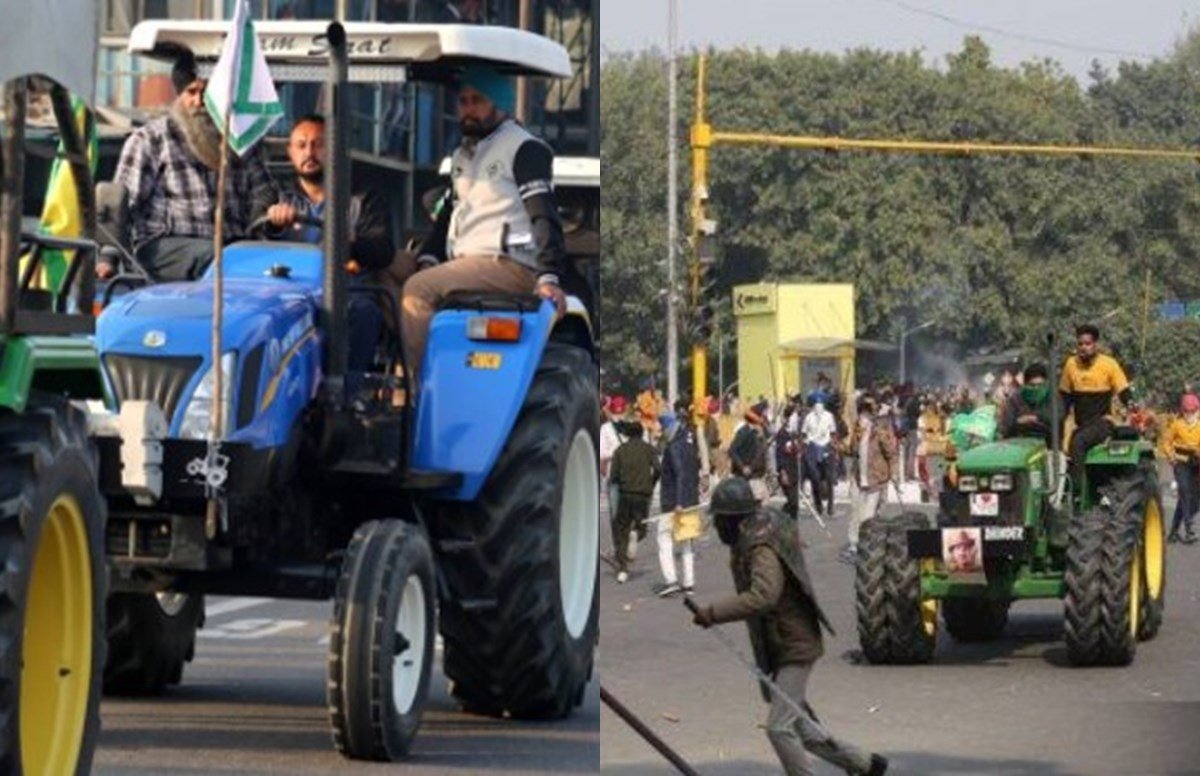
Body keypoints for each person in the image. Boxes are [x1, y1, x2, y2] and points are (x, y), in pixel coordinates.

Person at [690, 477, 888, 776]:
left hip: (794, 643)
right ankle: (863, 763)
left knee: (778, 728)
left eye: (719, 520)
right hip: (781, 643)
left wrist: (712, 613)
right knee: (803, 729)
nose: (717, 528)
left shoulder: (759, 544)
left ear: (733, 520)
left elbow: (763, 596)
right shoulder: (753, 534)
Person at [404, 65, 567, 386]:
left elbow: (543, 214)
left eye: (477, 100)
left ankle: (419, 391)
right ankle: (377, 380)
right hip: (464, 264)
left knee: (417, 290)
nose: (468, 110)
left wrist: (548, 275)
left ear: (501, 103)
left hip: (506, 265)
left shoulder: (524, 148)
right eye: (463, 101)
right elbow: (448, 217)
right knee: (384, 268)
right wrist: (427, 257)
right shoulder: (463, 155)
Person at [109, 50, 276, 282]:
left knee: (282, 267)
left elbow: (264, 191)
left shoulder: (241, 140)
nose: (199, 102)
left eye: (207, 94)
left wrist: (264, 215)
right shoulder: (151, 140)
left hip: (234, 250)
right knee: (217, 259)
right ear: (179, 95)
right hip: (168, 248)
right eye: (191, 92)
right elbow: (120, 206)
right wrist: (108, 257)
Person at [262, 114, 395, 379]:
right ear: (290, 152)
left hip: (345, 288)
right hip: (288, 291)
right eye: (301, 145)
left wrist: (350, 243)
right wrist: (274, 223)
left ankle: (347, 393)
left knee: (364, 312)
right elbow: (254, 233)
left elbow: (382, 251)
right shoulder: (276, 193)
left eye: (318, 144)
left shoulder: (362, 196)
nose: (309, 152)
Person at [1059, 324, 1133, 491]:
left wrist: (1131, 404)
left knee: (1078, 442)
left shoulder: (1109, 364)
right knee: (1061, 444)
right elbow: (1064, 398)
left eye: (1087, 344)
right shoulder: (1071, 365)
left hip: (1102, 423)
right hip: (1081, 425)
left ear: (1095, 345)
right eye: (1080, 344)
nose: (1083, 348)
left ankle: (1077, 494)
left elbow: (1123, 390)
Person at [841, 395, 896, 565]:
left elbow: (890, 452)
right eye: (861, 416)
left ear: (871, 418)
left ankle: (867, 547)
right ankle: (853, 545)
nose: (862, 420)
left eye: (865, 417)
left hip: (875, 480)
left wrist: (892, 475)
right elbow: (851, 451)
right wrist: (840, 445)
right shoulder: (858, 435)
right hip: (859, 479)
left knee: (868, 516)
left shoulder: (879, 433)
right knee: (855, 513)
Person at [608, 422, 660, 584]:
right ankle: (636, 534)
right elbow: (658, 469)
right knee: (642, 527)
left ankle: (623, 568)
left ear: (627, 435)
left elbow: (614, 477)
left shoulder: (620, 451)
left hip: (625, 495)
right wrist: (650, 483)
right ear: (642, 433)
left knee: (620, 530)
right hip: (643, 495)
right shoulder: (649, 449)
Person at [657, 410, 700, 596]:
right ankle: (689, 583)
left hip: (673, 501)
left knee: (663, 538)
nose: (662, 433)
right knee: (686, 541)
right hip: (691, 498)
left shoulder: (673, 446)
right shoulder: (689, 443)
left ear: (668, 427)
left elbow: (679, 473)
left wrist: (678, 502)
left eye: (663, 429)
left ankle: (671, 580)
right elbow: (692, 470)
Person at [1159, 393, 1200, 544]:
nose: (1189, 414)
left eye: (1192, 411)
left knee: (1193, 501)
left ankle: (1174, 531)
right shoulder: (1177, 424)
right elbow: (1166, 441)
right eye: (1186, 411)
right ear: (1182, 411)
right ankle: (1189, 529)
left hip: (1196, 464)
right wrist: (1171, 457)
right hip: (1181, 462)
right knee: (1184, 491)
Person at [1000, 363, 1062, 445]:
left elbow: (1058, 417)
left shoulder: (1053, 398)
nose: (1036, 388)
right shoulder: (1015, 399)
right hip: (1020, 443)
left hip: (1048, 444)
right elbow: (1007, 425)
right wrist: (1018, 422)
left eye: (1040, 385)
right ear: (1025, 384)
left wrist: (1037, 418)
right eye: (1032, 385)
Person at [800, 397, 837, 518]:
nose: (818, 409)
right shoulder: (809, 417)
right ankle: (818, 505)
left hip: (825, 446)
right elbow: (804, 432)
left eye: (820, 406)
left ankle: (831, 506)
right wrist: (805, 444)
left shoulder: (829, 416)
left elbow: (833, 432)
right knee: (814, 479)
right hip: (813, 447)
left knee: (829, 478)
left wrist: (832, 445)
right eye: (816, 406)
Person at [730, 403, 770, 500]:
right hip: (749, 477)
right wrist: (743, 467)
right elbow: (732, 450)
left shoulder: (759, 433)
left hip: (758, 475)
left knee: (763, 503)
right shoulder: (744, 432)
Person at [775, 417, 801, 519]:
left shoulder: (794, 434)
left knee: (795, 503)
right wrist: (782, 472)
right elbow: (779, 454)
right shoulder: (782, 434)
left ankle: (793, 525)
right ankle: (780, 517)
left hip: (794, 471)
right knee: (792, 501)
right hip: (786, 471)